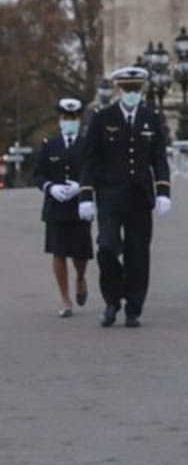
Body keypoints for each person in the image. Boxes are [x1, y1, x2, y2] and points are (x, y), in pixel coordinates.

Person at [77, 67, 171, 328]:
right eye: (127, 89)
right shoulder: (102, 117)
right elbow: (90, 159)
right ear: (120, 90)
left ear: (141, 90)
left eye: (135, 89)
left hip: (140, 196)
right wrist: (86, 194)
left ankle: (133, 306)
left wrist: (164, 191)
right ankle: (112, 298)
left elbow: (159, 158)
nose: (131, 94)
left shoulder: (150, 117)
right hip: (109, 196)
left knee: (138, 253)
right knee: (106, 248)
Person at [33, 98, 93, 318]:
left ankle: (80, 277)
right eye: (66, 118)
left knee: (80, 253)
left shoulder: (87, 144)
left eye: (74, 118)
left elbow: (93, 169)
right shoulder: (50, 145)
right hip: (56, 206)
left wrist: (83, 187)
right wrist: (50, 187)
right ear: (60, 120)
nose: (70, 122)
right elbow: (38, 174)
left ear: (79, 120)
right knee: (58, 252)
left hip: (80, 205)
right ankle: (65, 299)